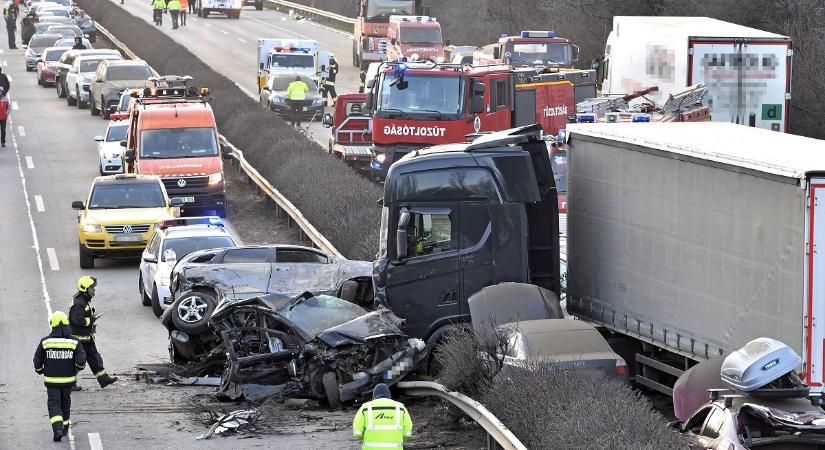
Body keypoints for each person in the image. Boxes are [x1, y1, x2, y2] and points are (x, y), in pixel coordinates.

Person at [33, 311, 87, 442]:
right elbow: (81, 360)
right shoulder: (74, 342)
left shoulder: (45, 342)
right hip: (68, 381)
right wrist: (76, 370)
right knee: (65, 403)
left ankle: (57, 429)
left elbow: (37, 361)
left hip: (51, 381)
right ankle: (65, 427)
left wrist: (40, 370)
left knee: (54, 404)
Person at [68, 276, 118, 390]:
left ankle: (104, 379)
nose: (94, 290)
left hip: (86, 337)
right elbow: (76, 320)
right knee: (79, 362)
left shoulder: (84, 300)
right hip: (79, 339)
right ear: (85, 289)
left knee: (95, 358)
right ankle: (70, 383)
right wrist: (91, 319)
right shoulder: (79, 303)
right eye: (91, 288)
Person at [352, 383, 413, 449]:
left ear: (374, 395)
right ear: (389, 394)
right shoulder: (400, 407)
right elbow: (407, 432)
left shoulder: (365, 408)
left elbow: (357, 432)